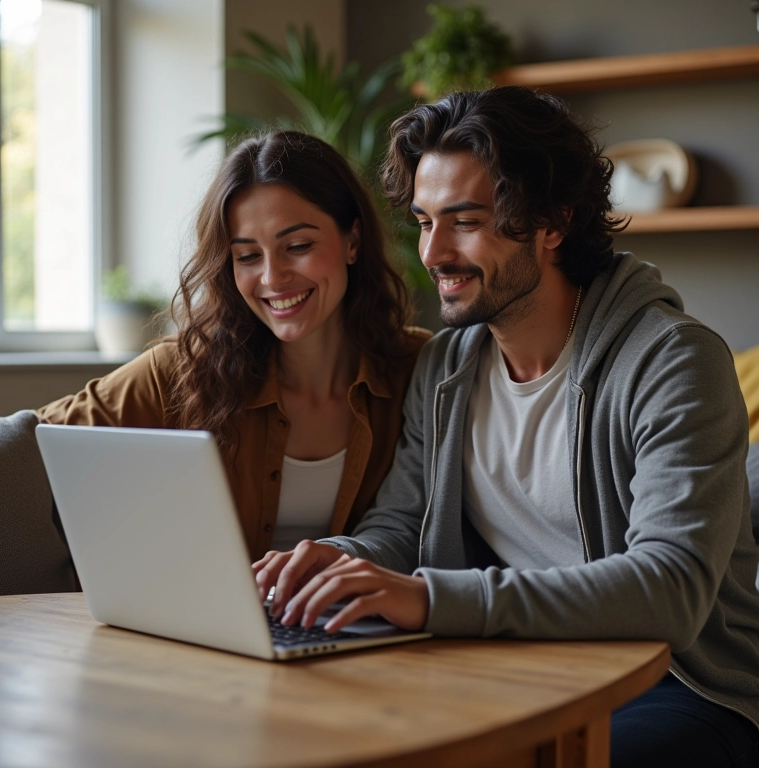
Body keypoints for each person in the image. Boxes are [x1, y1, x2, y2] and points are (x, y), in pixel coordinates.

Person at [254, 88, 759, 767]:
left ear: (552, 222)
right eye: (426, 222)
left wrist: (430, 598)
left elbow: (668, 589)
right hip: (517, 665)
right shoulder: (446, 366)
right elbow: (403, 526)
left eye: (464, 221)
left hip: (677, 684)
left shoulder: (673, 360)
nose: (434, 252)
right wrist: (337, 560)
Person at [37, 129, 430, 559]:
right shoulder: (180, 371)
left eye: (297, 246)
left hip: (363, 625)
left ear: (352, 241)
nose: (272, 278)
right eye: (247, 256)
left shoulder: (419, 371)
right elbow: (27, 443)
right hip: (203, 625)